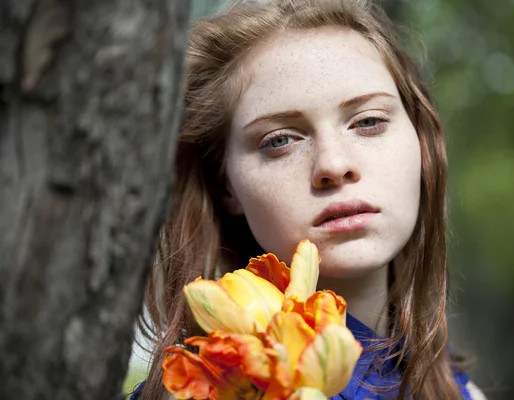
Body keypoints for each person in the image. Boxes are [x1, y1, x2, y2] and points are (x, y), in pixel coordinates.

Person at [132, 0, 486, 399]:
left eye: (368, 121)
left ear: (423, 144)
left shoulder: (460, 390)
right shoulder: (203, 389)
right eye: (280, 140)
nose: (334, 164)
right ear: (226, 184)